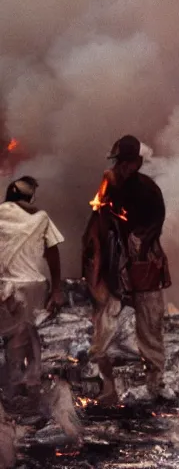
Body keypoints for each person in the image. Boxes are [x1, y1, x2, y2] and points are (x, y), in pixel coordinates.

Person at [82, 135, 170, 404]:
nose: (122, 167)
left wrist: (140, 241)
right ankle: (103, 384)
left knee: (150, 324)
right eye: (119, 162)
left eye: (127, 162)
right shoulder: (108, 188)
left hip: (143, 265)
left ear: (138, 162)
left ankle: (156, 384)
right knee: (104, 326)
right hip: (112, 268)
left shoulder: (148, 190)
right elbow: (95, 230)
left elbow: (156, 222)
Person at [0, 176, 65, 411]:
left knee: (17, 337)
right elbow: (53, 252)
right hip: (32, 287)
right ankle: (23, 389)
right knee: (24, 334)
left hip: (5, 286)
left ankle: (20, 389)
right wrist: (56, 288)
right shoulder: (41, 217)